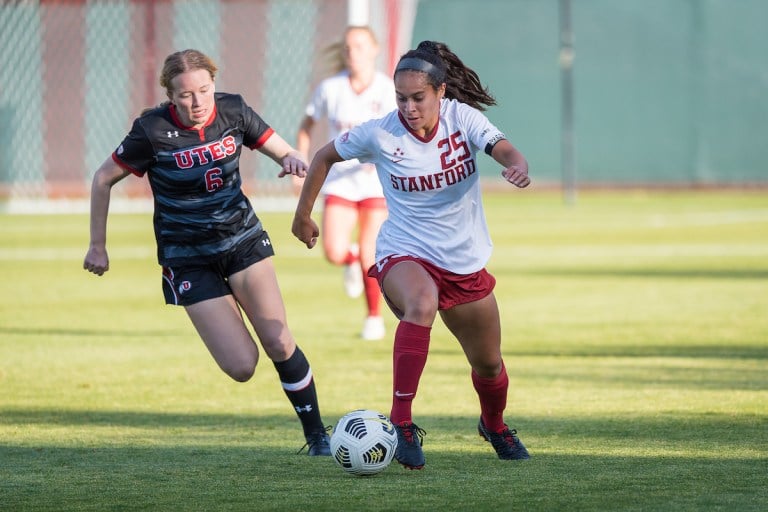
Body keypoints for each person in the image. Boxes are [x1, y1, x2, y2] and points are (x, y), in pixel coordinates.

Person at [292, 41, 532, 469]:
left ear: (440, 92)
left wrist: (517, 165)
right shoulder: (380, 132)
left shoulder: (463, 118)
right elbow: (324, 156)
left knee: (490, 366)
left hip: (463, 262)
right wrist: (303, 215)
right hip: (405, 251)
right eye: (401, 98)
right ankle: (401, 423)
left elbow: (504, 149)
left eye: (418, 98)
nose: (408, 107)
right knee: (420, 303)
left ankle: (494, 425)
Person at [83, 49, 331, 456]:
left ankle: (317, 434)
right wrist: (97, 245)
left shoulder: (232, 110)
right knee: (241, 367)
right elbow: (102, 178)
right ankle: (227, 305)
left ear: (214, 84)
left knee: (278, 340)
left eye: (204, 90)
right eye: (185, 95)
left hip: (242, 241)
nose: (197, 103)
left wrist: (290, 159)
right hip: (188, 258)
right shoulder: (152, 130)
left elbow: (280, 147)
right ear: (170, 95)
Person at [294, 26, 395, 341]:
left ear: (375, 49)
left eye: (361, 46)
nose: (354, 53)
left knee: (371, 252)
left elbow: (397, 132)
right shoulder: (330, 88)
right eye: (349, 47)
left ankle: (374, 317)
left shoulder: (387, 88)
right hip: (339, 183)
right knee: (334, 251)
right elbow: (307, 126)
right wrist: (300, 162)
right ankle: (350, 261)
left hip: (375, 184)